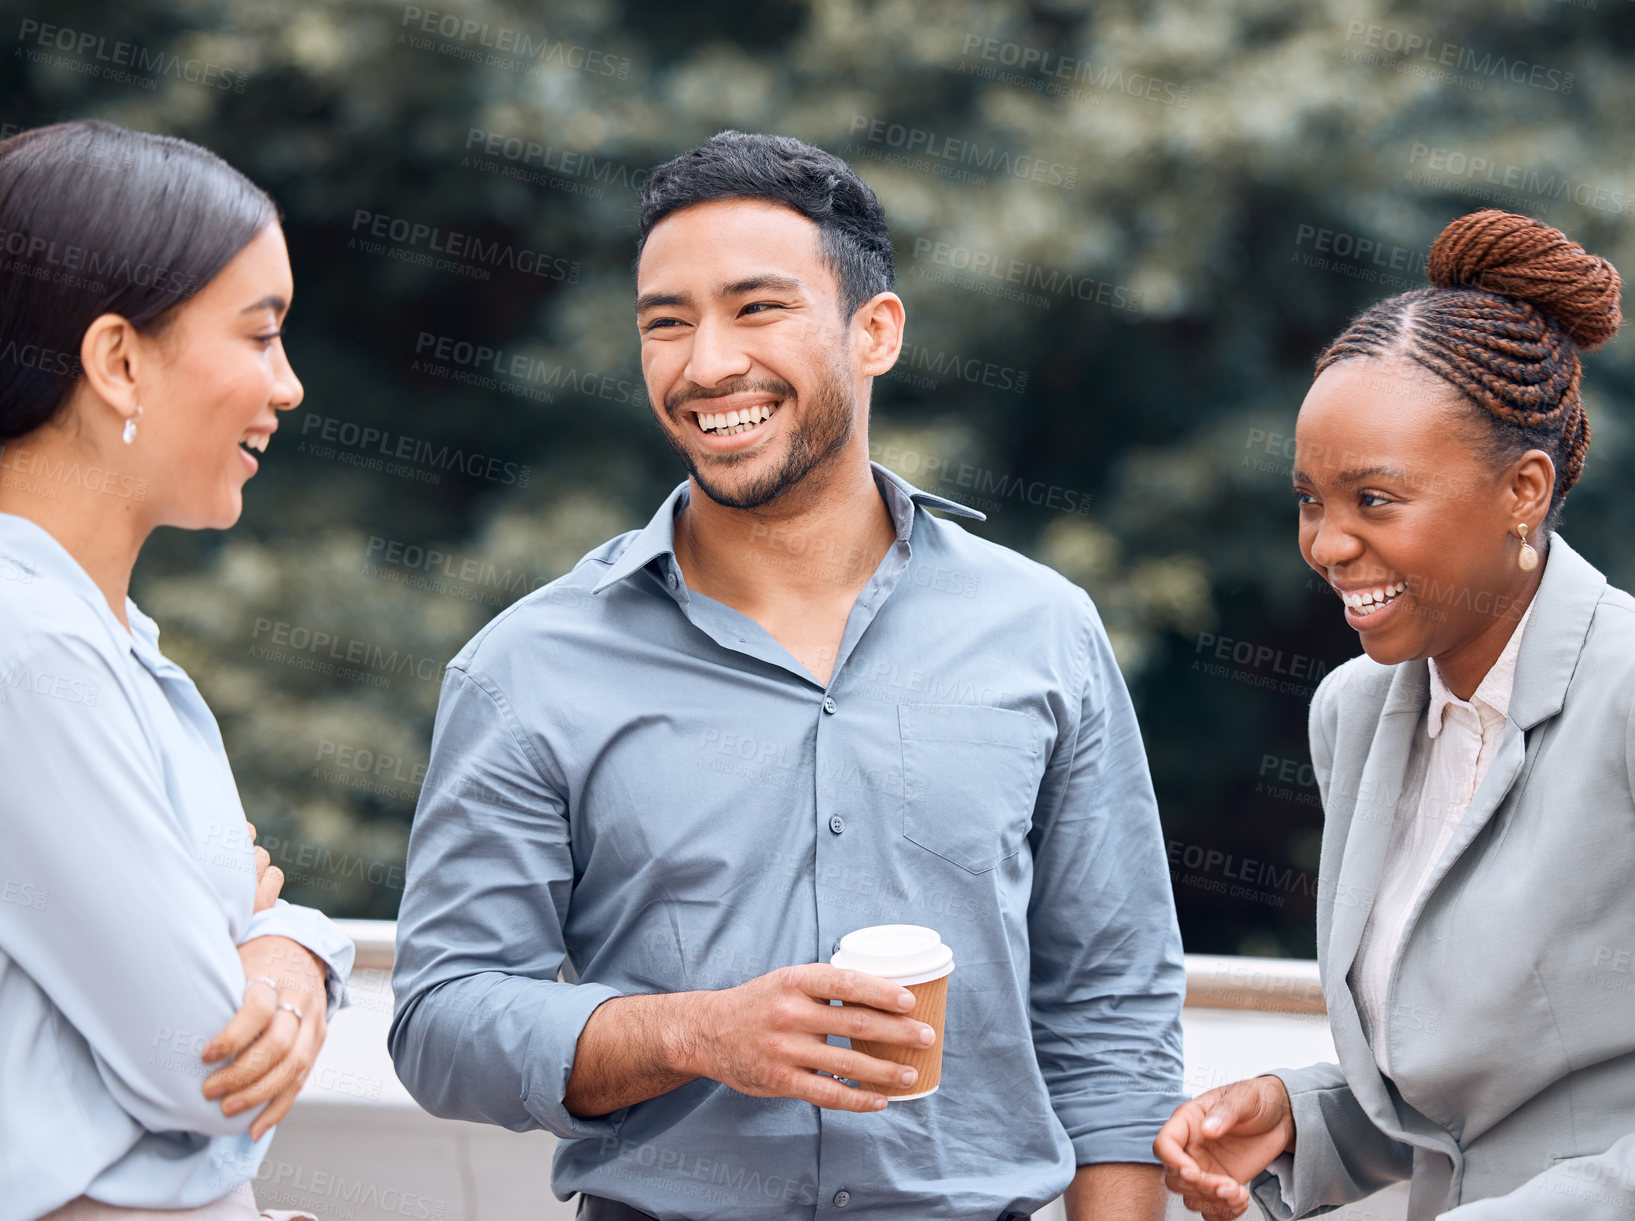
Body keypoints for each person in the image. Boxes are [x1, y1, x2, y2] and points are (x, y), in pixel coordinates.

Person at [390, 131, 1186, 1220]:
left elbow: (1111, 1005)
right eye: (666, 322)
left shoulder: (1042, 632)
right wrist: (694, 1032)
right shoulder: (525, 668)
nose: (707, 363)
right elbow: (441, 1020)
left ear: (876, 333)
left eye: (756, 309)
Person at [1154, 209, 1635, 1221]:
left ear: (1524, 490)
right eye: (1309, 500)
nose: (1327, 544)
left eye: (1374, 500)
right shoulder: (1357, 715)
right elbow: (1462, 1099)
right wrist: (1301, 1113)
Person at [0, 121, 354, 1220]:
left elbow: (220, 981)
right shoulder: (29, 645)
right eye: (259, 335)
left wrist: (289, 942)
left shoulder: (97, 632)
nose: (287, 386)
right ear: (117, 360)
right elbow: (204, 1062)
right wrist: (261, 939)